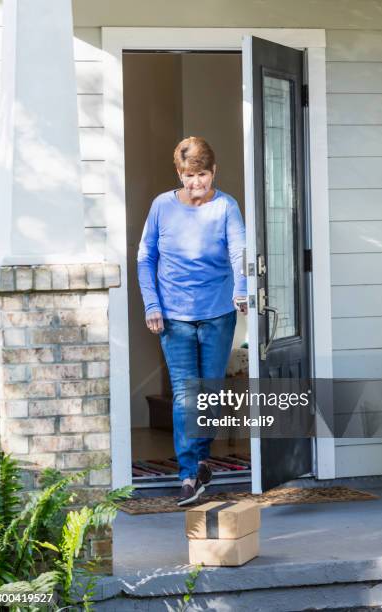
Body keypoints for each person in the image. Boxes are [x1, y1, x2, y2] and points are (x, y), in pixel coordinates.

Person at [137, 136, 247, 505]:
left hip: (217, 313)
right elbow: (145, 258)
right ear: (179, 174)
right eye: (188, 176)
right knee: (186, 396)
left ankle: (201, 459)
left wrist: (242, 289)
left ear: (213, 172)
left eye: (201, 175)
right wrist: (152, 304)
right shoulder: (162, 207)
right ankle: (188, 475)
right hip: (174, 316)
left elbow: (239, 252)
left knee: (210, 394)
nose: (195, 183)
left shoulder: (226, 207)